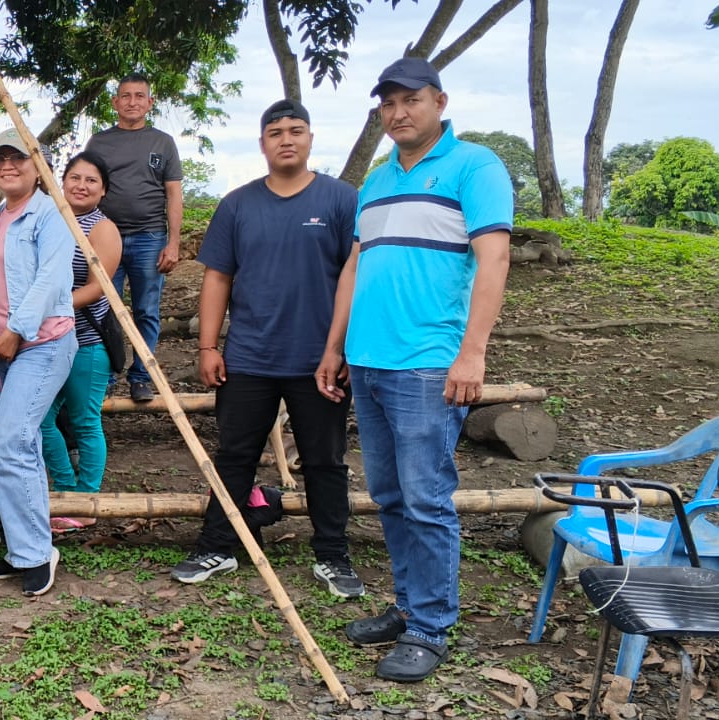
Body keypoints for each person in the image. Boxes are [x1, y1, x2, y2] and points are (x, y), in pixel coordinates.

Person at [318, 58, 512, 683]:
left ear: (439, 102)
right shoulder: (375, 180)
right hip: (368, 361)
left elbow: (494, 258)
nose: (398, 113)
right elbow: (354, 267)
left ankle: (430, 625)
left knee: (426, 498)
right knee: (390, 496)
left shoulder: (474, 166)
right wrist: (335, 347)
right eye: (388, 103)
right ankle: (407, 606)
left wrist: (473, 352)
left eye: (411, 100)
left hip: (429, 363)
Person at [170, 100, 364, 602]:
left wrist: (342, 348)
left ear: (310, 138)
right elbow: (217, 278)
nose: (286, 139)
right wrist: (208, 345)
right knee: (234, 455)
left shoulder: (342, 200)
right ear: (262, 144)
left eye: (296, 130)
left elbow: (356, 276)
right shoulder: (238, 204)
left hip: (320, 360)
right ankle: (218, 545)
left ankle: (332, 553)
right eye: (275, 132)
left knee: (324, 460)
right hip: (249, 356)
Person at [0, 128, 78, 597]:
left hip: (43, 342)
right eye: (0, 158)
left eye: (18, 158)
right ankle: (23, 548)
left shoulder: (52, 214)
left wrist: (16, 331)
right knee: (19, 445)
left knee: (9, 441)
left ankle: (35, 551)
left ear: (39, 167)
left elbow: (51, 278)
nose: (8, 166)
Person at [83, 73, 183, 402]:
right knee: (103, 308)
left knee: (146, 311)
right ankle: (107, 376)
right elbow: (86, 186)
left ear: (150, 103)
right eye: (125, 96)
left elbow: (174, 194)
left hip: (150, 237)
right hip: (105, 236)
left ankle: (141, 377)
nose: (132, 102)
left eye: (140, 96)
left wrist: (173, 243)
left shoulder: (163, 142)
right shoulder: (99, 143)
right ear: (115, 102)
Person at [41, 152, 121, 534]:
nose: (81, 186)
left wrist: (47, 306)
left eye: (91, 180)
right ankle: (66, 491)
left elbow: (96, 287)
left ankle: (86, 502)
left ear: (103, 190)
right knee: (40, 420)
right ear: (63, 180)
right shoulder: (51, 218)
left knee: (85, 421)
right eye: (75, 177)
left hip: (87, 340)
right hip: (49, 340)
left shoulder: (101, 228)